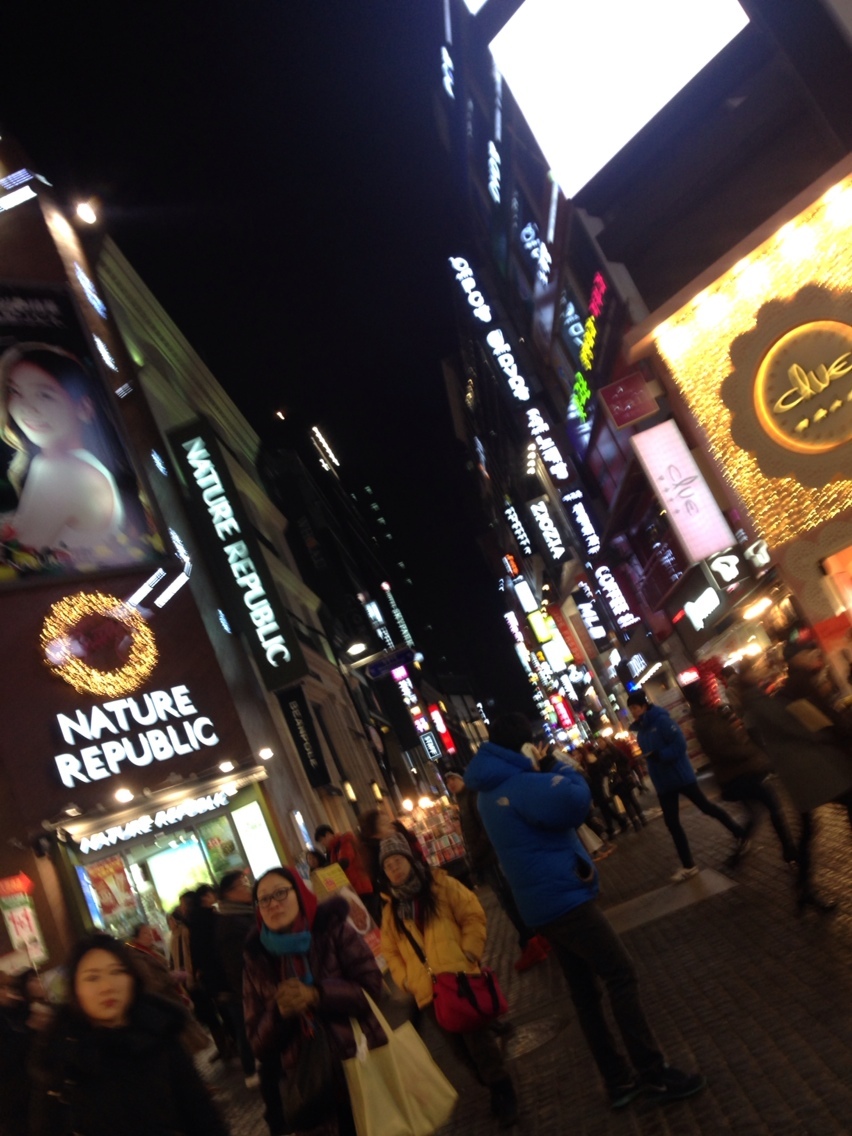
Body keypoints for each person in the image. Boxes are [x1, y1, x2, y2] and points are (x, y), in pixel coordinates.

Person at [465, 712, 705, 1110]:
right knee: (620, 973)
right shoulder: (520, 784)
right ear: (525, 747)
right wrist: (556, 765)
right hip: (564, 899)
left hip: (540, 905)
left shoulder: (487, 791)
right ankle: (652, 1072)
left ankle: (617, 1079)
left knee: (584, 992)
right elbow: (576, 801)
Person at [378, 832, 519, 1127]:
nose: (394, 868)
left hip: (458, 977)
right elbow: (389, 950)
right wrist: (406, 980)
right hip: (427, 990)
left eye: (397, 860)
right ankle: (489, 1084)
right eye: (388, 865)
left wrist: (469, 951)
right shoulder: (391, 911)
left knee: (478, 1042)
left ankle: (502, 1090)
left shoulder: (440, 885)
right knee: (459, 1051)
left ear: (409, 859)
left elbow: (472, 913)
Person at [29, 933, 229, 1136]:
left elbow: (203, 1116)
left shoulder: (160, 1036)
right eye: (92, 977)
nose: (107, 987)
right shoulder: (62, 1055)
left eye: (117, 972)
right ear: (75, 988)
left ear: (132, 979)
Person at [243, 866, 387, 1136]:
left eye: (280, 893)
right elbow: (258, 1043)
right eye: (264, 899)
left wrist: (318, 994)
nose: (273, 904)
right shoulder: (256, 961)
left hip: (362, 1066)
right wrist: (278, 1013)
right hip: (310, 1090)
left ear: (299, 894)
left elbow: (372, 989)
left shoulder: (333, 931)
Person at [0, 344, 146, 565]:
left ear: (84, 408)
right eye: (15, 392)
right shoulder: (61, 463)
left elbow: (21, 556)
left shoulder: (63, 470)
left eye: (44, 395)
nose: (26, 408)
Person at [744, 639, 852, 912]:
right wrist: (832, 734)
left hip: (804, 772)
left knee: (807, 829)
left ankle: (804, 889)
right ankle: (804, 889)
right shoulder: (779, 693)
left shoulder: (770, 696)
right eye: (754, 669)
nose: (760, 671)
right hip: (811, 770)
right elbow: (809, 725)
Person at [626, 690, 750, 881]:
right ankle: (688, 865)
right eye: (631, 709)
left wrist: (661, 755)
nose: (633, 712)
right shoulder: (641, 732)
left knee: (706, 807)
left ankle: (740, 833)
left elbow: (680, 745)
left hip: (680, 777)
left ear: (644, 706)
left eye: (635, 707)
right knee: (672, 823)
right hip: (663, 784)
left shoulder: (662, 721)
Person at [444, 769, 549, 972]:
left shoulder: (472, 797)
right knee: (508, 899)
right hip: (487, 858)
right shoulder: (463, 800)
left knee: (508, 899)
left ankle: (531, 942)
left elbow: (485, 829)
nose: (451, 784)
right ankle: (536, 937)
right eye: (448, 782)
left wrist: (476, 853)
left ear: (462, 778)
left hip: (490, 858)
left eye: (453, 779)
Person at [682, 681, 797, 866]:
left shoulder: (712, 715)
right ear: (701, 698)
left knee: (755, 813)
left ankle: (743, 848)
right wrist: (751, 753)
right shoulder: (705, 722)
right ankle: (789, 850)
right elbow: (722, 750)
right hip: (737, 775)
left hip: (737, 774)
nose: (710, 694)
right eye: (706, 692)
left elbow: (730, 737)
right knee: (771, 803)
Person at [214, 869, 259, 1086]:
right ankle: (253, 1072)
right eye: (243, 884)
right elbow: (242, 963)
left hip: (248, 988)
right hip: (248, 989)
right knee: (247, 1031)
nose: (248, 887)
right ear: (229, 893)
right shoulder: (232, 923)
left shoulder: (242, 915)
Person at [315, 824, 380, 924]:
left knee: (371, 921)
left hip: (361, 887)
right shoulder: (332, 850)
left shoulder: (345, 840)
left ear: (328, 834)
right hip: (352, 890)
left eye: (321, 840)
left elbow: (345, 862)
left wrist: (326, 873)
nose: (322, 844)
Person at [0, 970, 30, 1136]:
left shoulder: (12, 1012)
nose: (6, 992)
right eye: (1, 988)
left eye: (7, 987)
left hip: (24, 1088)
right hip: (9, 1096)